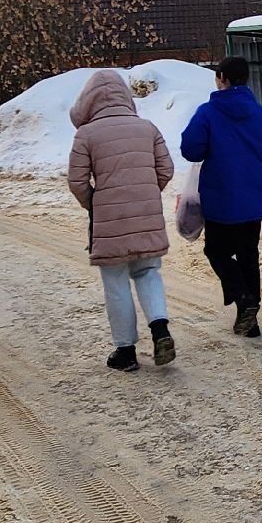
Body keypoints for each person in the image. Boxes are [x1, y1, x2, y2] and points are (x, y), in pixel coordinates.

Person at [68, 70, 176, 371]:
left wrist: (96, 204)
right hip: (146, 216)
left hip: (109, 220)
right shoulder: (147, 128)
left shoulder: (86, 135)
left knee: (115, 282)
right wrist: (146, 195)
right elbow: (165, 169)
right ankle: (160, 329)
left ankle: (126, 351)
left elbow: (77, 182)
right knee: (149, 272)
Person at [180, 55, 262, 338]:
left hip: (221, 199)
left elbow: (191, 150)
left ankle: (244, 299)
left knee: (217, 252)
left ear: (221, 77)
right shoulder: (261, 114)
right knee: (249, 255)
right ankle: (251, 321)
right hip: (254, 199)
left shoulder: (208, 113)